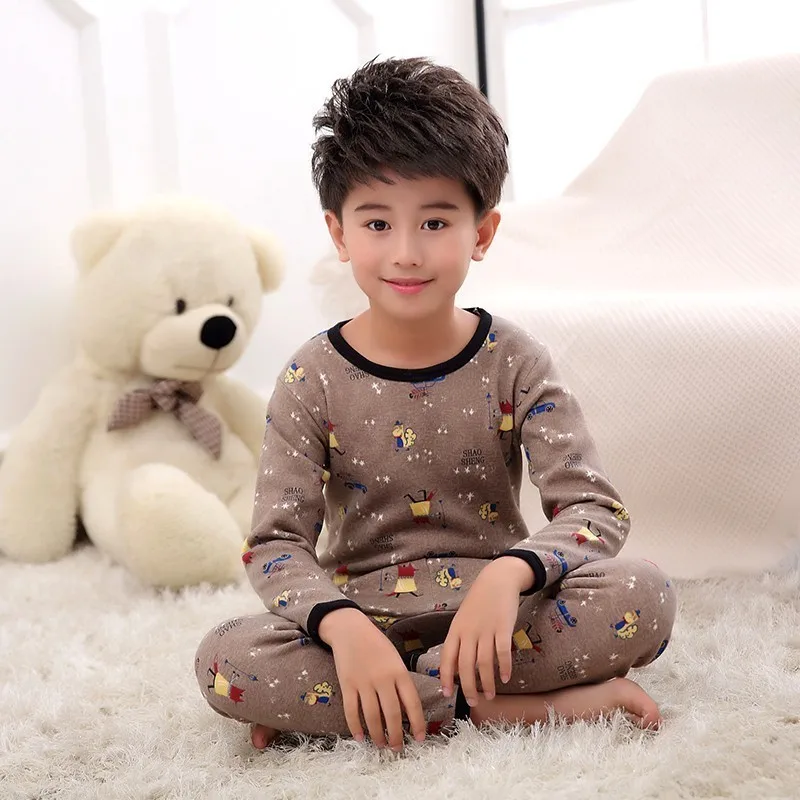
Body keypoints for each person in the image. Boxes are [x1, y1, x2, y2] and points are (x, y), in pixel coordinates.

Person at [195, 56, 677, 753]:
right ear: (339, 234)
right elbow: (275, 545)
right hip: (363, 622)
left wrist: (511, 575)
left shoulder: (515, 360)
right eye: (377, 223)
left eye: (434, 222)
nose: (406, 253)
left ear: (481, 233)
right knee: (225, 660)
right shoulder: (311, 376)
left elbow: (594, 510)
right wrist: (341, 627)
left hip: (499, 619)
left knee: (645, 594)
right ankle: (499, 709)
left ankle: (377, 710)